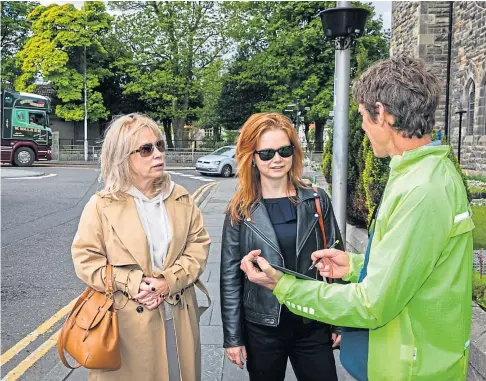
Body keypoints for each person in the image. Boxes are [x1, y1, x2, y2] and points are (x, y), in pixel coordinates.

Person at [241, 56, 475, 381]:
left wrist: (284, 286)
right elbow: (411, 262)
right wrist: (353, 265)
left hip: (411, 367)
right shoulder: (422, 172)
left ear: (381, 113)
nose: (362, 126)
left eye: (363, 115)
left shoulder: (421, 188)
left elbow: (371, 305)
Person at [71, 113, 210, 381]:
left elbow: (198, 246)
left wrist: (169, 280)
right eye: (146, 149)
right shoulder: (101, 205)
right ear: (122, 156)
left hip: (177, 314)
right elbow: (86, 260)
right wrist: (133, 282)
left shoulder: (181, 197)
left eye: (159, 146)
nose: (157, 154)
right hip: (124, 325)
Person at [221, 112, 344, 381]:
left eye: (284, 151)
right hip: (262, 327)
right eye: (266, 153)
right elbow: (230, 277)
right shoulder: (240, 209)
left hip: (312, 321)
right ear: (252, 157)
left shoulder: (316, 199)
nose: (277, 159)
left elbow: (337, 259)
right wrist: (233, 337)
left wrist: (340, 320)